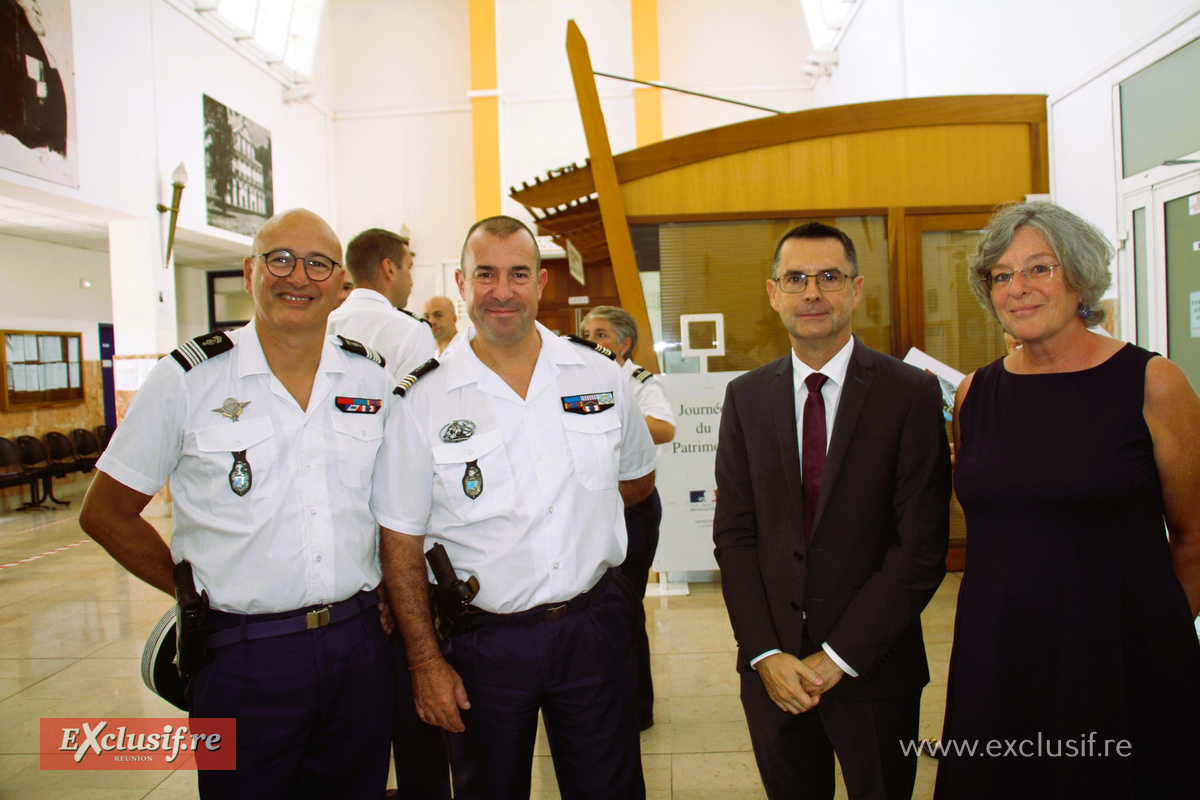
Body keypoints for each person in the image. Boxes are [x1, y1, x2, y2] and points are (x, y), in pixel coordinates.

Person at [78, 209, 397, 798]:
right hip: (241, 655)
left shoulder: (371, 379)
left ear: (339, 286)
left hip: (358, 647)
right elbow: (104, 512)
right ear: (252, 271)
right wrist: (189, 593)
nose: (297, 277)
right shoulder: (188, 379)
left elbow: (393, 505)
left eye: (317, 264)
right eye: (279, 259)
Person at [374, 215, 658, 800]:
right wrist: (425, 663)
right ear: (461, 282)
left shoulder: (600, 376)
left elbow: (636, 481)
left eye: (518, 274)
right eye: (486, 274)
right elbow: (399, 540)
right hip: (483, 646)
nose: (502, 291)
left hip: (592, 631)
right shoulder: (422, 399)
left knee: (611, 788)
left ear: (541, 282)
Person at [934, 201, 1200, 799]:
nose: (1019, 289)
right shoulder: (976, 393)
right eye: (1002, 275)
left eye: (1039, 268)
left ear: (1079, 276)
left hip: (1120, 660)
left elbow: (1195, 535)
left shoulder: (1153, 382)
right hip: (999, 657)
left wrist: (1156, 643)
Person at [713, 221, 951, 800]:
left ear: (856, 289)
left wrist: (838, 657)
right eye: (795, 279)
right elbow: (735, 536)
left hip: (876, 666)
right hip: (774, 673)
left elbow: (919, 546)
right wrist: (766, 653)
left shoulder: (908, 393)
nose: (812, 292)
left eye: (829, 277)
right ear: (773, 293)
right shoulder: (746, 397)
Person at [581, 304, 675, 730]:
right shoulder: (576, 379)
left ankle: (636, 709)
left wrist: (615, 416)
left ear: (624, 343)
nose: (590, 339)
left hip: (633, 506)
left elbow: (665, 428)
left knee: (624, 605)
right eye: (585, 332)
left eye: (600, 333)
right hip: (589, 506)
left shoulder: (637, 381)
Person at [327, 227, 435, 380]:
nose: (411, 281)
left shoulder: (325, 323)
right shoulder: (412, 330)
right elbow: (416, 401)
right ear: (389, 269)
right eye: (408, 268)